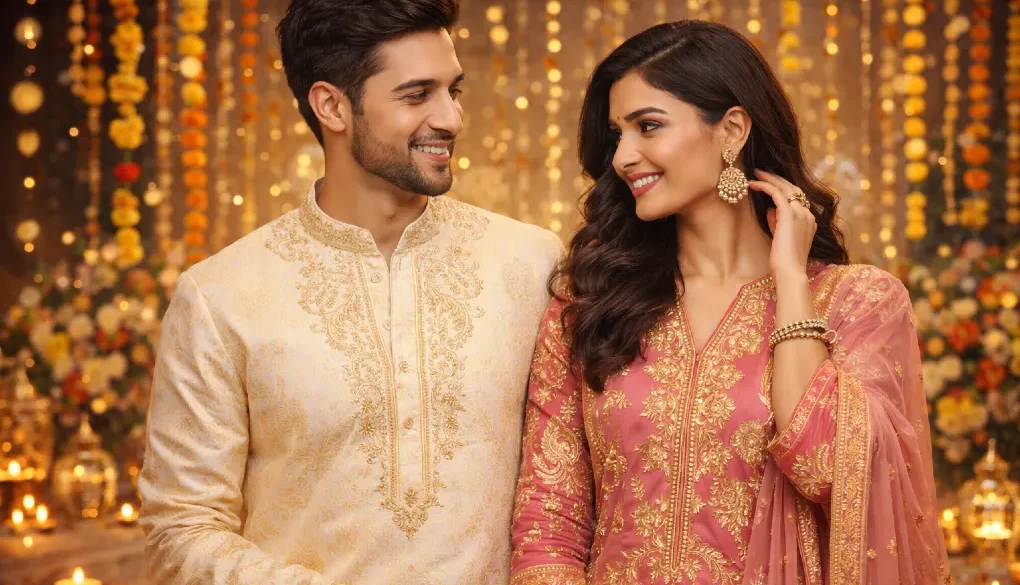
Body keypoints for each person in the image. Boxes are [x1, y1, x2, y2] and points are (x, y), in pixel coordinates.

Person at [509, 20, 950, 585]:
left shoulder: (857, 302)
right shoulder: (591, 301)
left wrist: (789, 277)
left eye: (648, 126)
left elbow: (828, 470)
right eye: (617, 135)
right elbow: (550, 519)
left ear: (732, 130)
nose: (623, 157)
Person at [138, 1, 563, 584]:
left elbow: (577, 488)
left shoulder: (532, 266)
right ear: (331, 105)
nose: (451, 119)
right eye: (417, 95)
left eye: (453, 90)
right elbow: (180, 529)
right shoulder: (220, 297)